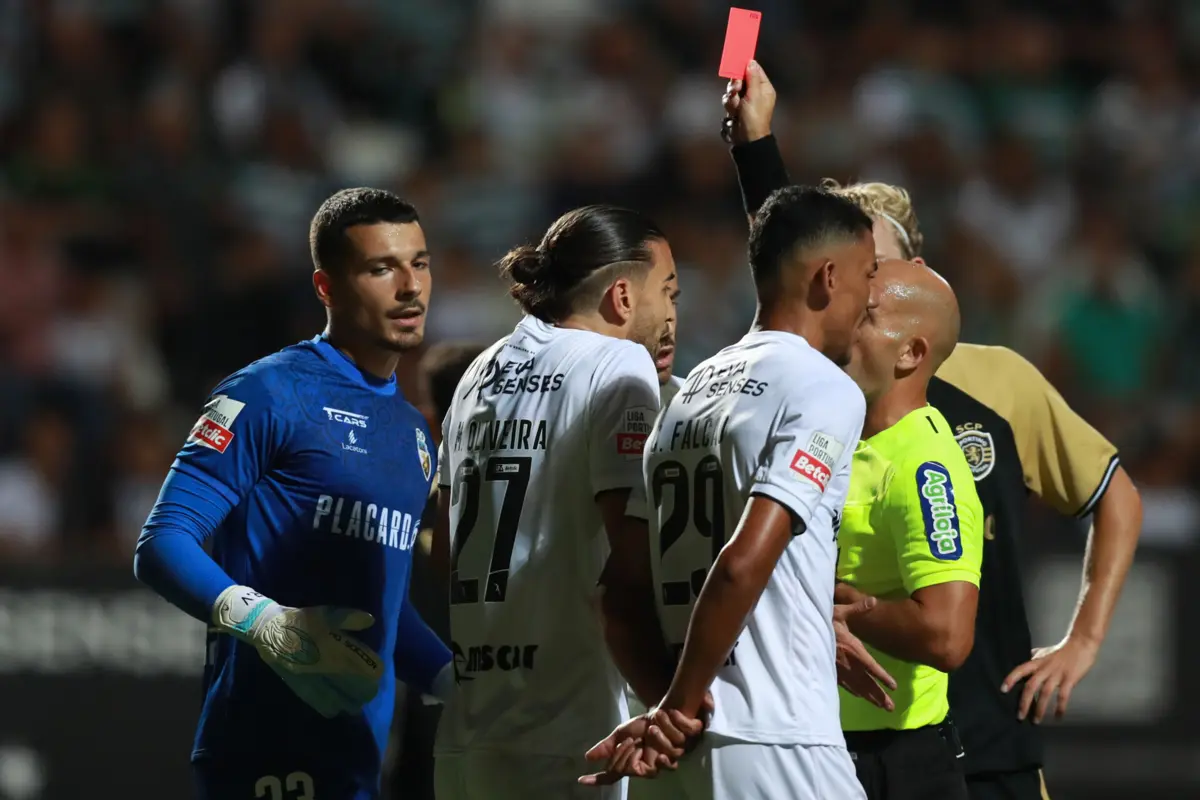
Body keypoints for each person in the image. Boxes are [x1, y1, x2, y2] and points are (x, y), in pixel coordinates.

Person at [721, 62, 1144, 800]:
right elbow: (786, 264)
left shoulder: (998, 380)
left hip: (989, 740)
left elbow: (1115, 495)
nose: (848, 288)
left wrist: (1084, 640)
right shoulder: (817, 386)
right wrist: (755, 145)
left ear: (911, 278)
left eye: (871, 269)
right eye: (839, 271)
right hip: (841, 740)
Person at [133, 188, 452, 800]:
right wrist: (267, 623)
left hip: (360, 757)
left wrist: (450, 681)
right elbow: (163, 542)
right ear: (326, 287)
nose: (410, 287)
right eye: (381, 268)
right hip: (263, 745)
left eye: (420, 263)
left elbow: (386, 609)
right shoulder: (267, 392)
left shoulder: (413, 433)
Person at [586, 185, 880, 798]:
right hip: (780, 740)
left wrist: (669, 714)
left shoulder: (686, 396)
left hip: (683, 753)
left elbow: (618, 596)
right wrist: (679, 707)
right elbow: (742, 563)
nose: (871, 299)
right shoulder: (822, 387)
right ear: (828, 278)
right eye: (868, 275)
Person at [431, 205, 680, 800]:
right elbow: (631, 568)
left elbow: (443, 553)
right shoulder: (618, 362)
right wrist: (675, 698)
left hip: (468, 735)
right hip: (569, 737)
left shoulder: (478, 371)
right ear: (623, 295)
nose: (672, 313)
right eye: (668, 291)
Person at [835, 258, 983, 800]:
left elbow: (947, 635)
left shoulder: (924, 465)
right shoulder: (839, 432)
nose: (843, 320)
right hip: (825, 745)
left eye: (865, 313)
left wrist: (828, 601)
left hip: (892, 764)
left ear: (910, 353)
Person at [388, 342, 488, 800]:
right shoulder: (546, 503)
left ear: (430, 420)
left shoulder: (397, 505)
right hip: (516, 726)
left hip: (424, 736)